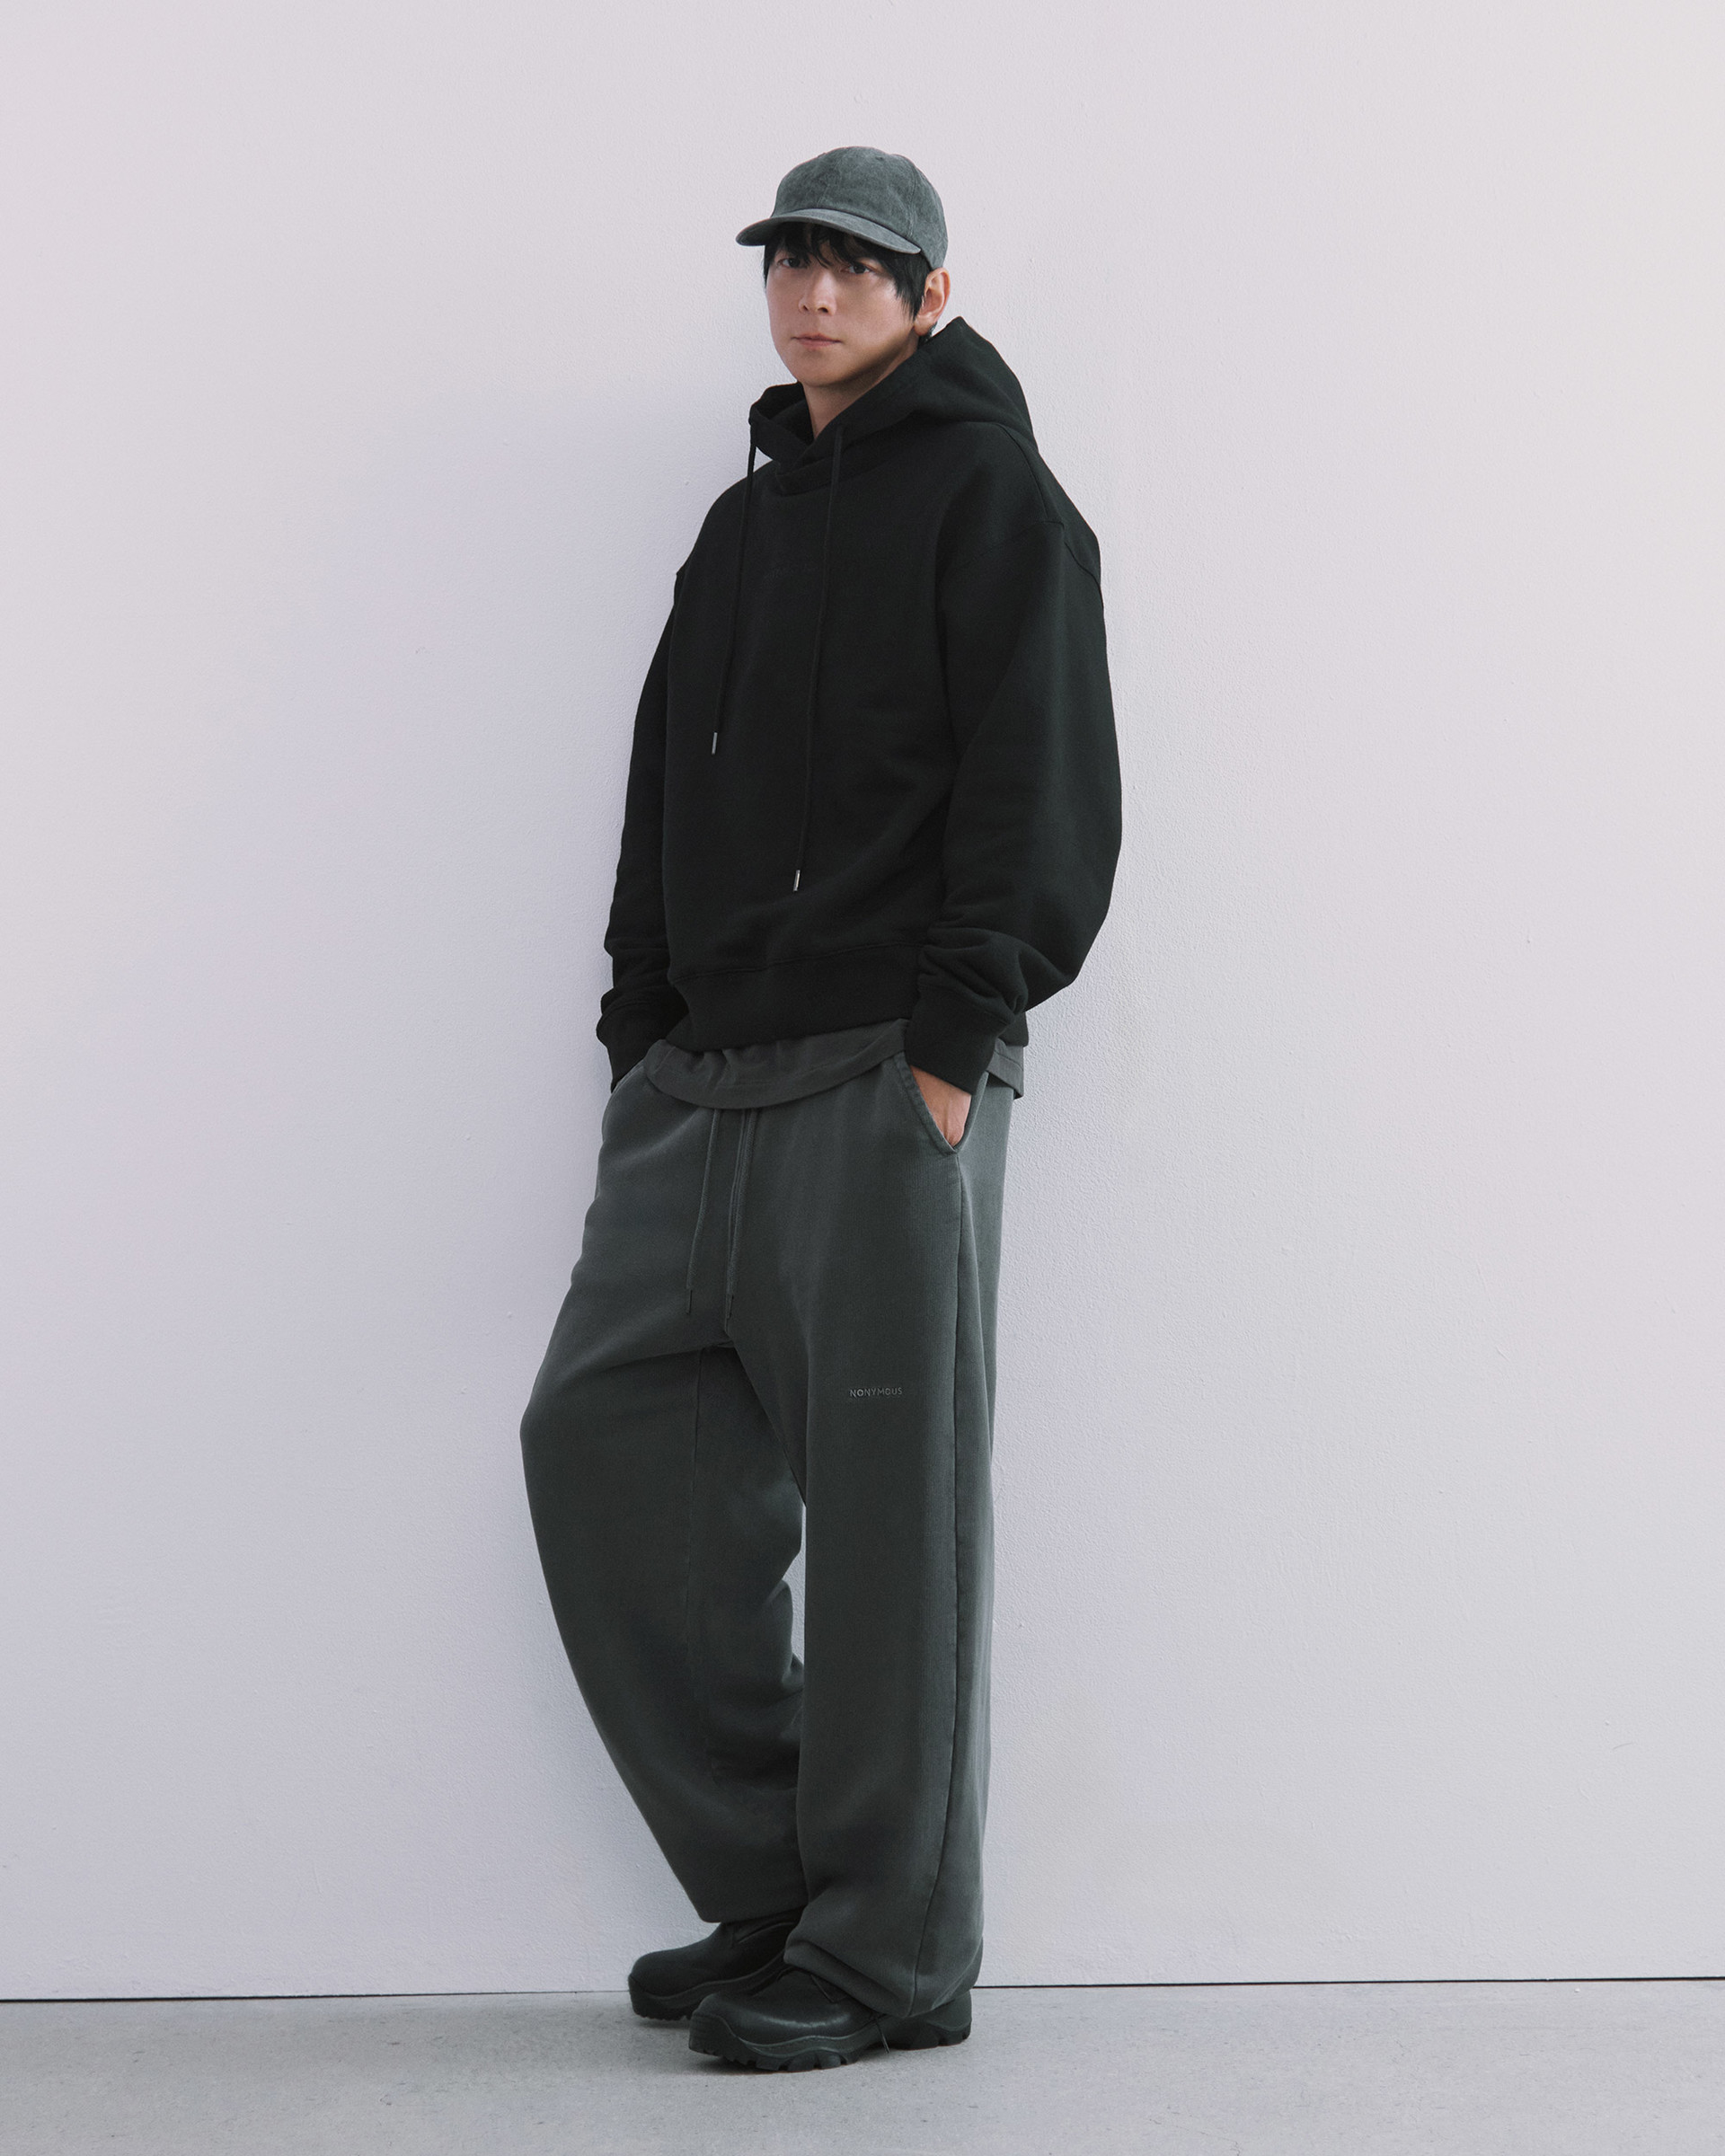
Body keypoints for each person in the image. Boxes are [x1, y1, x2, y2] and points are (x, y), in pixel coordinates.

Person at [520, 146, 1120, 2072]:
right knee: (601, 1448)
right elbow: (661, 785)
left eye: (860, 265)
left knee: (888, 1524)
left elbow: (1043, 778)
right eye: (791, 258)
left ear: (931, 296)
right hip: (701, 1077)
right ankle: (794, 1885)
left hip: (885, 1070)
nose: (815, 291)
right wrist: (640, 1028)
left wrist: (955, 1035)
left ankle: (893, 1959)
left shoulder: (1000, 501)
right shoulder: (740, 527)